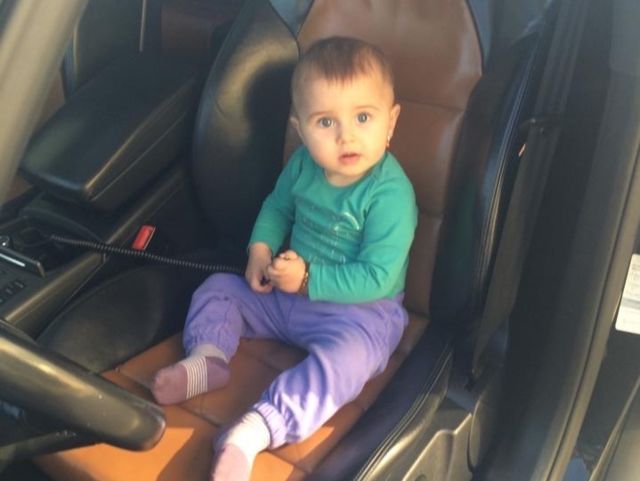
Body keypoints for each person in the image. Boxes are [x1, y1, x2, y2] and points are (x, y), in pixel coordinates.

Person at [150, 36, 418, 481]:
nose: (346, 135)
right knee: (219, 289)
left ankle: (253, 431)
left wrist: (309, 279)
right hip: (287, 295)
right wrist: (259, 250)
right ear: (300, 128)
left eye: (363, 117)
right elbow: (278, 207)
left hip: (359, 313)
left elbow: (379, 276)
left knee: (348, 364)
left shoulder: (391, 194)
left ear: (390, 122)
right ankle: (209, 359)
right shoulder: (302, 165)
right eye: (326, 122)